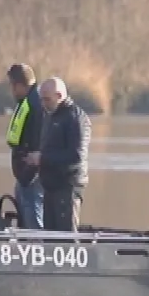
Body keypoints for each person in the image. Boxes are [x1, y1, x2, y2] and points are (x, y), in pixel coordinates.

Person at [28, 77, 90, 233]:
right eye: (42, 99)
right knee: (50, 236)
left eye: (47, 99)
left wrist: (42, 158)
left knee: (66, 236)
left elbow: (76, 155)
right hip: (50, 186)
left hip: (67, 186)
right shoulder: (51, 115)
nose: (43, 104)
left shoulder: (75, 118)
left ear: (59, 96)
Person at [5, 63, 46, 229]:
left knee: (33, 218)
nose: (11, 90)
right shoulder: (27, 101)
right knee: (25, 217)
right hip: (24, 174)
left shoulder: (36, 104)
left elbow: (39, 140)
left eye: (12, 86)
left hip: (32, 175)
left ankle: (38, 245)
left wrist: (31, 172)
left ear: (19, 85)